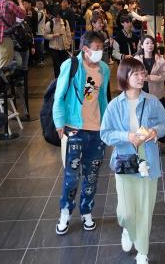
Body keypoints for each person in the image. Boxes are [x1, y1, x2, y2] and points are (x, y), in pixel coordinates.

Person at [100, 58, 165, 264]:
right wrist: (127, 136)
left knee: (145, 210)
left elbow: (164, 123)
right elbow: (105, 134)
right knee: (126, 212)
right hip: (124, 161)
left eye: (142, 73)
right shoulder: (114, 105)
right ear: (124, 76)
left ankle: (142, 251)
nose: (141, 77)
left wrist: (155, 131)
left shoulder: (152, 101)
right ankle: (127, 229)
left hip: (148, 161)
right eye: (135, 74)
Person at [53, 31, 110, 235]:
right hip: (74, 128)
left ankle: (87, 211)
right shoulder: (71, 65)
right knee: (71, 176)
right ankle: (65, 213)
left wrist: (106, 124)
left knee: (92, 175)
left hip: (96, 130)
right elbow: (59, 96)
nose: (100, 52)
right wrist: (59, 122)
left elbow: (101, 98)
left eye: (102, 48)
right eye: (96, 48)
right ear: (85, 49)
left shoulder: (104, 69)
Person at [44, 7, 72, 78]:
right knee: (56, 66)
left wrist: (68, 44)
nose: (57, 18)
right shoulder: (49, 23)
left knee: (64, 66)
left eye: (59, 16)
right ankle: (57, 80)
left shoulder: (65, 22)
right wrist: (53, 35)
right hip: (54, 48)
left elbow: (68, 34)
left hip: (64, 48)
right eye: (56, 17)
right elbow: (45, 35)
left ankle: (64, 80)